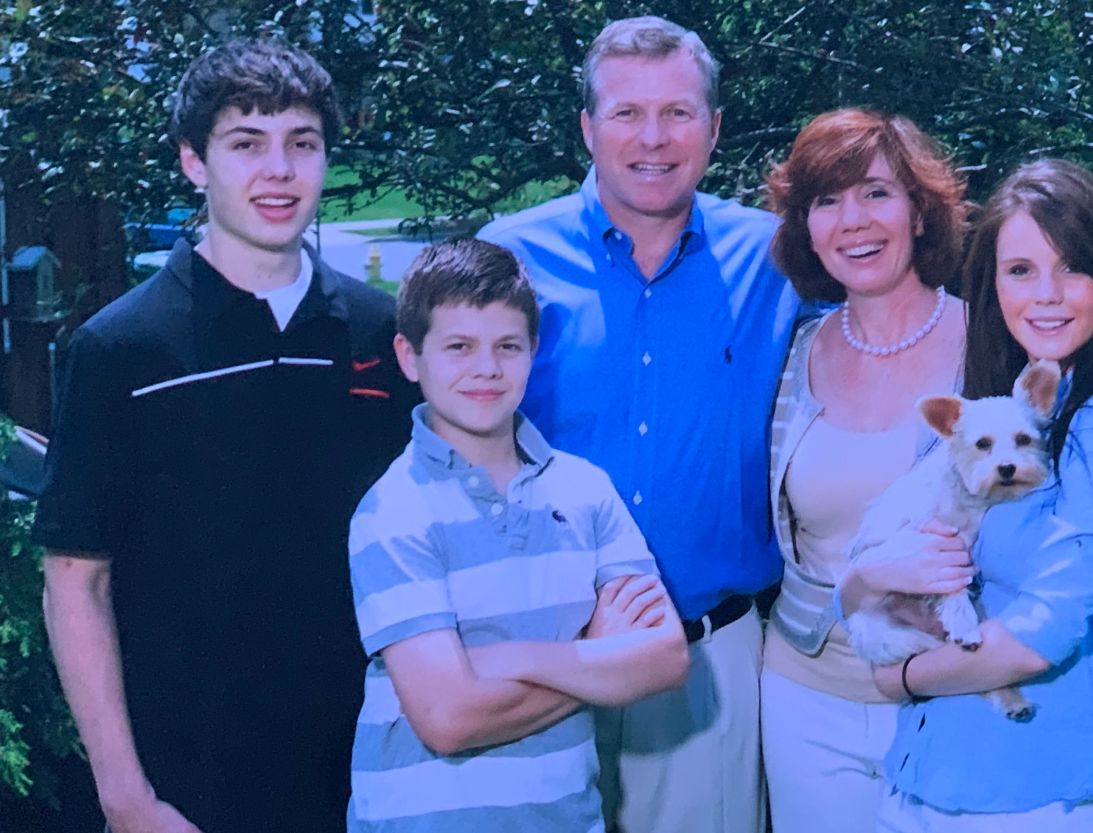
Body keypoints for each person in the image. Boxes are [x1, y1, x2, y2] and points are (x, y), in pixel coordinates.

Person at [36, 38, 416, 833]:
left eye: (302, 145)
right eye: (246, 144)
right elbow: (77, 581)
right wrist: (127, 799)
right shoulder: (120, 350)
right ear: (193, 161)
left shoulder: (385, 335)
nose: (278, 170)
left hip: (377, 782)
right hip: (188, 792)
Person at [477, 16, 800, 833]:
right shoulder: (505, 259)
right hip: (539, 653)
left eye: (678, 113)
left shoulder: (778, 261)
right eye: (626, 113)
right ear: (587, 127)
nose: (652, 138)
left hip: (704, 663)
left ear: (715, 127)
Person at [839, 159, 1093, 832]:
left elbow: (1035, 642)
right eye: (1021, 270)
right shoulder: (988, 417)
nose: (1046, 293)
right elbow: (865, 578)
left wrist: (894, 677)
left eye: (1073, 266)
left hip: (1032, 793)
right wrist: (866, 581)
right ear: (992, 285)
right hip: (918, 780)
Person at [345, 238, 689, 832]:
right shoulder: (393, 511)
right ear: (408, 356)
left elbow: (664, 658)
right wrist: (593, 652)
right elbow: (448, 718)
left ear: (534, 349)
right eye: (458, 347)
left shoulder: (585, 490)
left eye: (508, 346)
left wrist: (511, 658)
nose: (487, 369)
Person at [761, 108, 969, 833]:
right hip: (804, 697)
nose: (854, 219)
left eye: (877, 192)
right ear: (806, 228)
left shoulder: (990, 347)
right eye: (827, 200)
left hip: (953, 696)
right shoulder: (791, 354)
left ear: (920, 211)